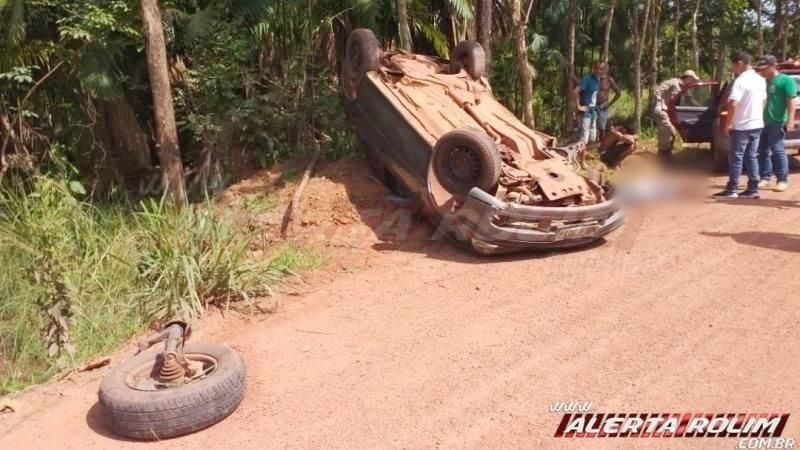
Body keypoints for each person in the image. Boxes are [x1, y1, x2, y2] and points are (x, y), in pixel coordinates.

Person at [713, 51, 767, 199]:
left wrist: (728, 124)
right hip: (757, 124)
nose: (732, 68)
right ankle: (753, 188)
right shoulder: (760, 79)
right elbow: (763, 101)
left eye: (733, 65)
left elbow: (733, 104)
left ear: (740, 63)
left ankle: (732, 189)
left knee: (736, 157)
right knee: (751, 156)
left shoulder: (740, 81)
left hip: (742, 125)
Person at [755, 55, 797, 192]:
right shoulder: (762, 82)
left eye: (765, 68)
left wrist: (790, 120)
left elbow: (791, 102)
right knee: (762, 151)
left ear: (773, 66)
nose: (762, 71)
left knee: (778, 150)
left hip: (777, 121)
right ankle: (765, 177)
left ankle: (782, 179)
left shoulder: (785, 81)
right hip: (761, 122)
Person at [652, 70, 700, 158]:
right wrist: (658, 105)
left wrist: (700, 107)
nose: (693, 82)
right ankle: (662, 153)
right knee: (669, 129)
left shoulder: (684, 88)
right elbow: (658, 91)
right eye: (693, 80)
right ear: (688, 78)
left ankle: (666, 154)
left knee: (672, 134)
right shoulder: (673, 83)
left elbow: (690, 100)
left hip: (670, 112)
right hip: (662, 110)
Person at [572, 63, 608, 144]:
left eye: (601, 69)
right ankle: (580, 155)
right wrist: (579, 106)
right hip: (585, 113)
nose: (599, 71)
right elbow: (575, 92)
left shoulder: (598, 81)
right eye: (597, 69)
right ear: (594, 69)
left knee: (592, 138)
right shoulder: (587, 79)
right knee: (584, 140)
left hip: (593, 113)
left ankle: (585, 154)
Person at [596, 70, 622, 141]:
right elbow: (581, 85)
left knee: (602, 127)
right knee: (591, 126)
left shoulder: (609, 79)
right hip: (592, 105)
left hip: (603, 106)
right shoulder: (594, 78)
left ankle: (602, 145)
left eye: (603, 69)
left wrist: (609, 104)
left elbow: (618, 93)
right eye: (599, 69)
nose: (601, 71)